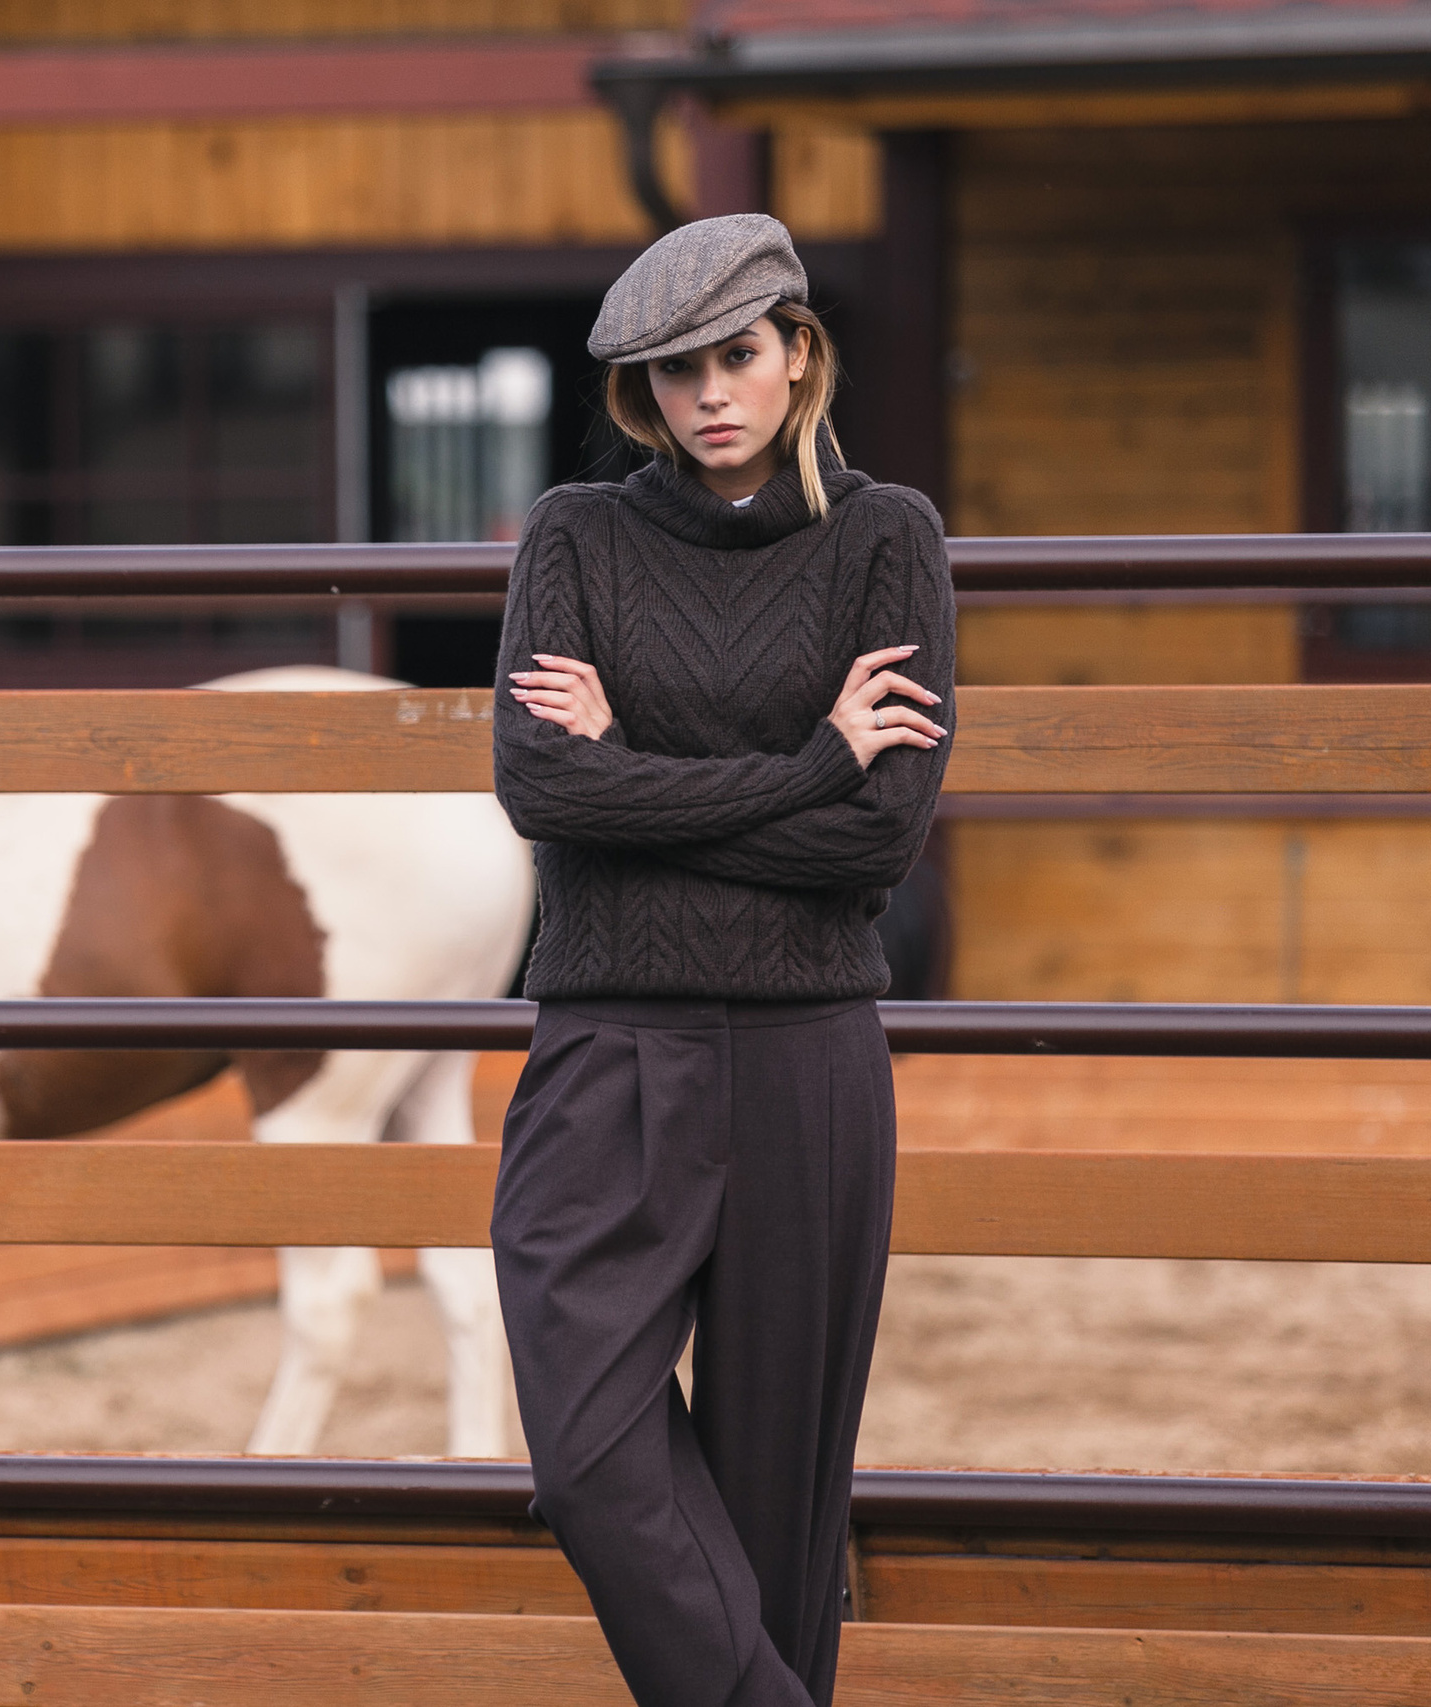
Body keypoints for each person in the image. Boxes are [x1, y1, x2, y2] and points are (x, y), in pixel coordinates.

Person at [489, 213, 954, 1707]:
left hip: (808, 1054)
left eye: (737, 354)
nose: (709, 393)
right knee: (587, 1454)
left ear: (797, 352)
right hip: (607, 1047)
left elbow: (874, 849)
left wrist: (644, 778)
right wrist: (809, 756)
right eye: (675, 369)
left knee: (775, 1515)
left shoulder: (889, 541)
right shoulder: (576, 534)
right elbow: (545, 792)